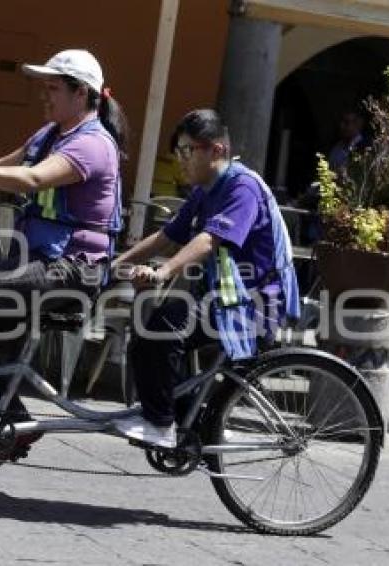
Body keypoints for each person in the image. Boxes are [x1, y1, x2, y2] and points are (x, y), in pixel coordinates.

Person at [0, 49, 128, 460]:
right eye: (43, 89)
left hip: (74, 268)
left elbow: (31, 179)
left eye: (53, 88)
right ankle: (14, 423)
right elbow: (5, 163)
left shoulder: (93, 145)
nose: (44, 97)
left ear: (82, 93)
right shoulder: (49, 134)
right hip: (40, 257)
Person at [110, 109, 300, 448]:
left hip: (255, 304)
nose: (180, 160)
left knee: (162, 328)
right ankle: (190, 426)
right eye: (178, 152)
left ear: (217, 151)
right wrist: (114, 266)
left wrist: (163, 272)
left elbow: (209, 239)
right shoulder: (205, 189)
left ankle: (161, 424)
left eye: (187, 151)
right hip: (224, 298)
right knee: (149, 333)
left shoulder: (242, 188)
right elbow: (168, 236)